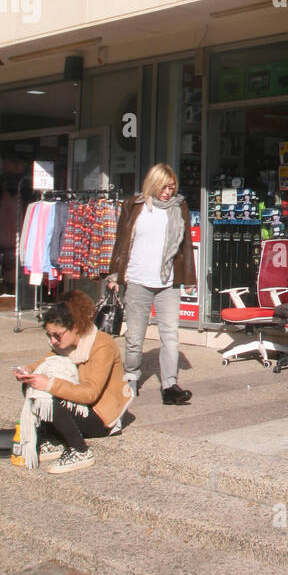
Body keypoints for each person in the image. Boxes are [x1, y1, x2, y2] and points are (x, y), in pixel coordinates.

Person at [13, 289, 133, 475]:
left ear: (75, 327)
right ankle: (52, 440)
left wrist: (50, 384)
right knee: (32, 383)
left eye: (57, 335)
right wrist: (27, 371)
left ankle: (79, 450)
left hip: (102, 418)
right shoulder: (65, 344)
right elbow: (44, 363)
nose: (53, 340)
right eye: (49, 335)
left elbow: (90, 393)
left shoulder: (102, 345)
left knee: (48, 394)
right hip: (82, 408)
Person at [106, 164, 196, 406]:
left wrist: (189, 279)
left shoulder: (178, 207)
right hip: (137, 280)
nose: (168, 192)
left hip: (167, 282)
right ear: (153, 184)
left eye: (172, 187)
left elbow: (185, 244)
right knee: (135, 336)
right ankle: (131, 377)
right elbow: (121, 242)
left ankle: (170, 385)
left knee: (170, 334)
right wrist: (114, 275)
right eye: (164, 187)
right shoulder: (134, 206)